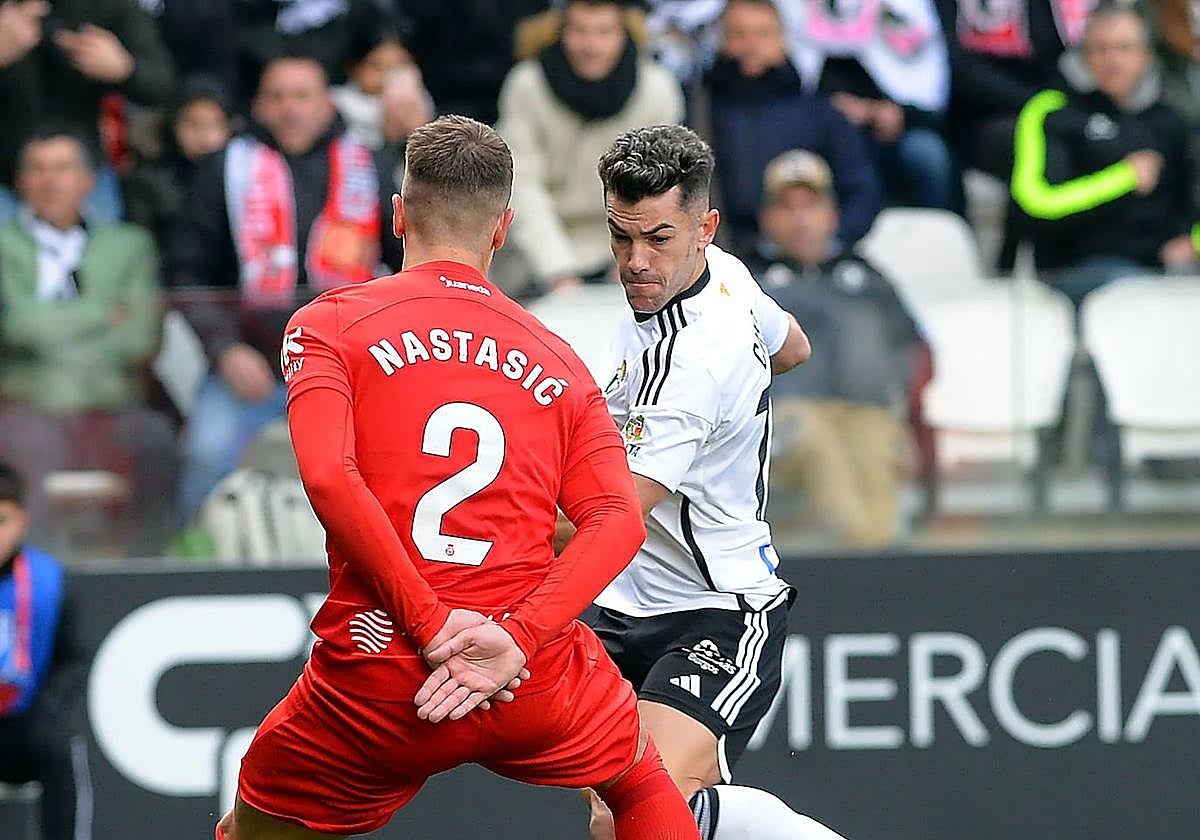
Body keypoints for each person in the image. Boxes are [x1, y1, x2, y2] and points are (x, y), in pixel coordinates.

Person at [215, 115, 700, 840]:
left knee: (251, 830)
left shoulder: (330, 323)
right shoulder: (559, 355)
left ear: (399, 213)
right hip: (526, 673)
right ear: (502, 229)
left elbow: (327, 476)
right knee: (638, 782)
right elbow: (619, 520)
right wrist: (520, 636)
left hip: (382, 671)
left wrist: (431, 621)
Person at [559, 123, 849, 840]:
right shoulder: (724, 270)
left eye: (658, 238)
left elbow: (612, 518)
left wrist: (483, 524)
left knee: (636, 816)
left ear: (703, 224)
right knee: (617, 816)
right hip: (622, 606)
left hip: (716, 609)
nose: (635, 262)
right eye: (621, 237)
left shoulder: (694, 365)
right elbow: (793, 347)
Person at [168, 53, 405, 524]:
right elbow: (185, 269)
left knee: (391, 461)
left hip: (351, 369)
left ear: (326, 103)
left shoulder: (369, 164)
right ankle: (190, 565)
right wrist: (225, 350)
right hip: (249, 368)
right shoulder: (224, 168)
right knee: (205, 453)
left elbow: (406, 263)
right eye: (276, 97)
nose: (290, 109)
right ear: (258, 106)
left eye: (302, 96)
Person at [0, 128, 175, 555]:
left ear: (88, 180)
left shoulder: (128, 245)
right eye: (38, 169)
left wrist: (47, 326)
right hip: (28, 406)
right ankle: (40, 580)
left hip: (111, 404)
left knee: (157, 440)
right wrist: (102, 312)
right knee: (26, 451)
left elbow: (139, 337)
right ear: (20, 182)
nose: (50, 180)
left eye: (62, 168)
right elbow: (14, 326)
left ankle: (146, 576)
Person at [749, 150, 920, 549]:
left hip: (862, 410)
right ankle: (871, 551)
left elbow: (911, 350)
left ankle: (873, 553)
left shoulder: (866, 277)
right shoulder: (747, 280)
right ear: (766, 219)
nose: (801, 219)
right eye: (787, 208)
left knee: (875, 441)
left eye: (811, 205)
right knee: (814, 439)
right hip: (785, 420)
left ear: (833, 214)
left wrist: (910, 423)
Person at [1011, 3, 1197, 305]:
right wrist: (1122, 179)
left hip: (1163, 268)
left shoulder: (1171, 121)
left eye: (1124, 48)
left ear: (1146, 56)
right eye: (1101, 48)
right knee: (1135, 291)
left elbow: (1193, 200)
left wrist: (1193, 243)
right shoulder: (1053, 110)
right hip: (1079, 268)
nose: (1112, 60)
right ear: (1085, 54)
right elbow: (1034, 205)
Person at [497, 0, 684, 295]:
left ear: (624, 34)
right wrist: (557, 270)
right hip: (535, 261)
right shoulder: (526, 85)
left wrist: (634, 256)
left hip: (626, 251)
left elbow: (662, 187)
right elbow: (521, 183)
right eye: (580, 31)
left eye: (604, 32)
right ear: (560, 31)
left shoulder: (657, 90)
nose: (591, 45)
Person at [706, 0, 882, 259]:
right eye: (738, 34)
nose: (751, 44)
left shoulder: (819, 114)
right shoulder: (699, 111)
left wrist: (833, 242)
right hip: (723, 257)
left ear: (783, 40)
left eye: (763, 33)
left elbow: (861, 187)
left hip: (807, 259)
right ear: (722, 41)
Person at [0, 0, 175, 222]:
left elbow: (162, 84)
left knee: (106, 250)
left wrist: (125, 69)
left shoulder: (108, 7)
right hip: (6, 171)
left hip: (84, 173)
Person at [785, 0, 958, 210]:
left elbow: (933, 95)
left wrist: (895, 113)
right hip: (812, 125)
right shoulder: (790, 9)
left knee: (927, 155)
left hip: (893, 130)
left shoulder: (907, 7)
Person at [0, 462, 92, 840]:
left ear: (22, 521)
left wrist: (47, 710)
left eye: (1, 521)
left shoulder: (50, 581)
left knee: (61, 752)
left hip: (24, 718)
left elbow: (73, 660)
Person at [122, 76, 235, 254]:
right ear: (173, 126)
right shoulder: (145, 184)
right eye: (194, 124)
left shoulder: (244, 182)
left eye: (215, 124)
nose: (205, 136)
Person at [332, 30, 434, 151]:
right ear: (353, 69)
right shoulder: (333, 111)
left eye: (401, 65)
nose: (390, 77)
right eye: (376, 66)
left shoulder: (426, 107)